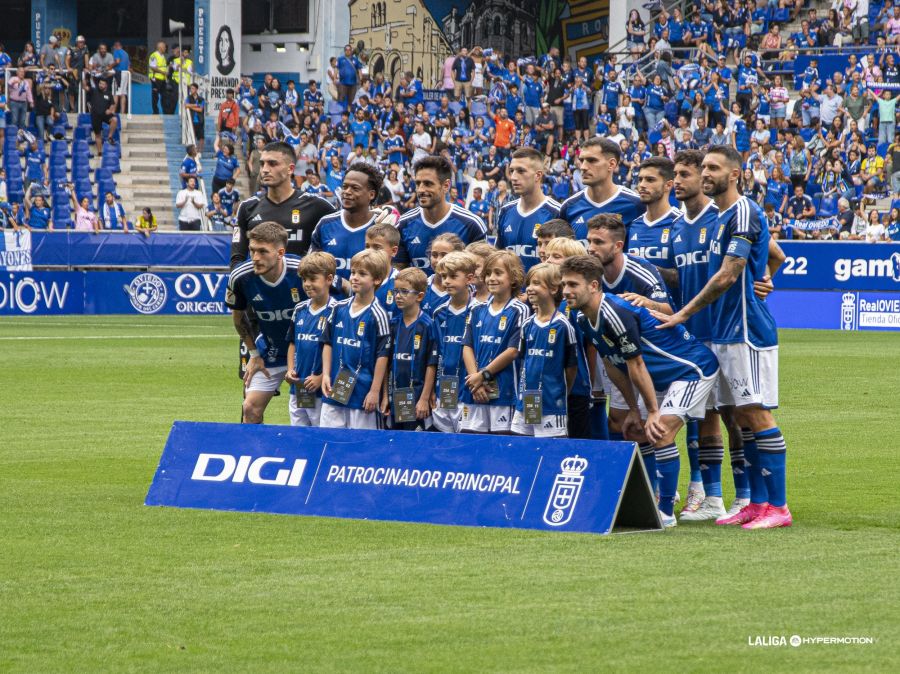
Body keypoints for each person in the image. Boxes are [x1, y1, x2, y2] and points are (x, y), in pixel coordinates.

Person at [655, 144, 792, 529]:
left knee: (756, 413)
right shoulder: (716, 218)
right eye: (705, 168)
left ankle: (778, 507)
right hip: (720, 332)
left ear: (734, 174)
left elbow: (729, 273)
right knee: (743, 417)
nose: (706, 174)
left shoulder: (744, 210)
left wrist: (683, 313)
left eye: (713, 168)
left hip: (744, 330)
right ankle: (756, 503)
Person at [560, 255, 720, 527]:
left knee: (661, 431)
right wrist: (635, 410)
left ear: (594, 286)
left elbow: (636, 363)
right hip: (659, 378)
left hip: (691, 370)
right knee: (635, 430)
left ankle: (665, 511)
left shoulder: (615, 311)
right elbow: (613, 364)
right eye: (564, 284)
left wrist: (653, 412)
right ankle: (649, 498)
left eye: (573, 284)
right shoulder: (584, 318)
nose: (566, 291)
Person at [670, 149, 750, 520]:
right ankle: (714, 499)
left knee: (736, 413)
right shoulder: (676, 227)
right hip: (693, 336)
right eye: (683, 173)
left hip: (723, 329)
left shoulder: (721, 218)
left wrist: (762, 279)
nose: (683, 180)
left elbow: (771, 253)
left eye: (688, 173)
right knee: (705, 416)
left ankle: (746, 495)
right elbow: (680, 276)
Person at [226, 222, 306, 424]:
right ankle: (252, 454)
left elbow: (342, 295)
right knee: (250, 408)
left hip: (306, 355)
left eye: (263, 252)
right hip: (269, 351)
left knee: (306, 414)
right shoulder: (240, 276)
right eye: (252, 250)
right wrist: (253, 354)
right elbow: (238, 319)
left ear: (280, 252)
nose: (255, 258)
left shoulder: (302, 271)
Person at [231, 141, 337, 268]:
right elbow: (237, 259)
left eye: (272, 164)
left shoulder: (318, 206)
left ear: (290, 169)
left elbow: (337, 248)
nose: (265, 170)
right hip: (262, 286)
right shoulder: (247, 207)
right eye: (262, 164)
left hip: (303, 286)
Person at [320, 249, 392, 429]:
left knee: (361, 449)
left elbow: (383, 355)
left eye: (362, 274)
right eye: (352, 272)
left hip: (362, 393)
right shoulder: (338, 308)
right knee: (329, 442)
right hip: (334, 390)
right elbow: (327, 342)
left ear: (377, 280)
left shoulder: (379, 315)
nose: (354, 278)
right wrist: (326, 375)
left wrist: (375, 391)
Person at [460, 250, 527, 434]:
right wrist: (475, 381)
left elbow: (513, 351)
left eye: (498, 273)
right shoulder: (477, 309)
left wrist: (483, 376)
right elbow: (467, 346)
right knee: (471, 446)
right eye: (488, 273)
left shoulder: (519, 310)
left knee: (502, 450)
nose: (491, 278)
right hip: (475, 392)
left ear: (513, 278)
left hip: (504, 393)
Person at [511, 263, 579, 438]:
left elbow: (571, 368)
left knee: (551, 452)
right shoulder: (527, 324)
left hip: (551, 405)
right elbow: (523, 361)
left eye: (536, 284)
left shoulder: (564, 326)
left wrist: (560, 392)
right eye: (529, 284)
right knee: (521, 450)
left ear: (554, 289)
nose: (530, 289)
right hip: (525, 402)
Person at [395, 156, 487, 275]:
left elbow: (481, 276)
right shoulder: (404, 224)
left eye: (428, 184)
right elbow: (399, 273)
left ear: (446, 185)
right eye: (418, 184)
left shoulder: (471, 224)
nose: (421, 190)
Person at [285, 252, 339, 427]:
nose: (307, 284)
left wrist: (323, 376)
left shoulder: (338, 311)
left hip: (321, 389)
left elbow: (340, 353)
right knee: (297, 435)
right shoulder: (300, 309)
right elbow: (292, 342)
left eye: (313, 279)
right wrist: (290, 370)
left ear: (329, 279)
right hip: (298, 388)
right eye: (304, 280)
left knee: (319, 436)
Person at [559, 138, 646, 240]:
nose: (583, 167)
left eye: (592, 160)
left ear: (611, 164)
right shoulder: (568, 207)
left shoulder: (637, 205)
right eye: (582, 160)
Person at [431, 251, 480, 433]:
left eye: (453, 276)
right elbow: (435, 355)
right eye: (443, 276)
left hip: (468, 390)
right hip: (443, 391)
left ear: (469, 279)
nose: (446, 281)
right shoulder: (439, 312)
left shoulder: (479, 311)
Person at [310, 161, 382, 280]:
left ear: (371, 195)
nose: (347, 192)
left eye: (355, 188)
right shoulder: (325, 224)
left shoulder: (381, 226)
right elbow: (311, 269)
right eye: (345, 187)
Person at [387, 267, 439, 431]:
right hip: (395, 397)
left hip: (417, 399)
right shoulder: (394, 324)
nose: (398, 296)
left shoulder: (428, 325)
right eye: (396, 291)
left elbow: (432, 365)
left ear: (420, 296)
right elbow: (386, 363)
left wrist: (424, 398)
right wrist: (384, 396)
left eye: (404, 291)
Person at [496, 147, 562, 272]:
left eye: (521, 171)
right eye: (512, 171)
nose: (513, 177)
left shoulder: (556, 212)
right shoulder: (505, 211)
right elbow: (498, 258)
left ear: (538, 175)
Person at [629, 156, 681, 280]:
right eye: (640, 179)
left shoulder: (680, 222)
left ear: (668, 185)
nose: (642, 185)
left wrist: (644, 268)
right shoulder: (633, 226)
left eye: (650, 180)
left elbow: (686, 276)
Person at [87, 78, 118, 155]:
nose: (101, 85)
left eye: (102, 84)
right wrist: (85, 80)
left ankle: (110, 137)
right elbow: (86, 88)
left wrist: (110, 110)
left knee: (114, 119)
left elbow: (113, 104)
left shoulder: (108, 94)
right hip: (95, 115)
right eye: (100, 83)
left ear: (106, 85)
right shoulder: (94, 91)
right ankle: (100, 152)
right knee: (98, 135)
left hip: (105, 114)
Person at [184, 83, 205, 152]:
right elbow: (186, 105)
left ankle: (200, 151)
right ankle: (194, 151)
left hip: (200, 120)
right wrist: (195, 105)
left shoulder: (201, 99)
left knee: (201, 137)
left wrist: (191, 107)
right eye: (190, 88)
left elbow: (200, 109)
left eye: (192, 88)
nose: (191, 90)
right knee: (193, 136)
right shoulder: (188, 98)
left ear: (196, 89)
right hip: (191, 120)